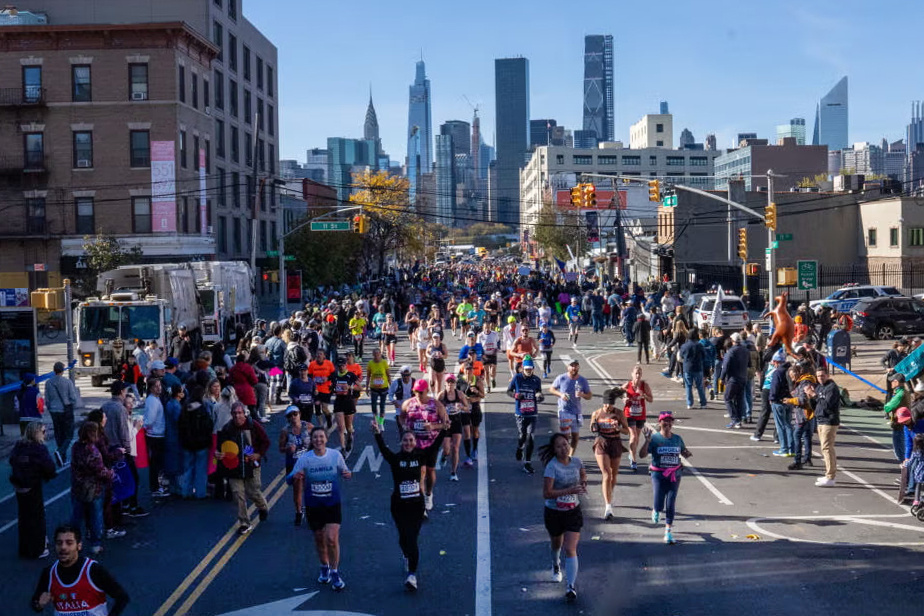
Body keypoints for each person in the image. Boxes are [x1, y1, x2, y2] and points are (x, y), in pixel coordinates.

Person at [371, 419, 446, 591]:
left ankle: (412, 575)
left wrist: (444, 430)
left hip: (416, 506)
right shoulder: (396, 459)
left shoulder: (421, 456)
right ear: (401, 443)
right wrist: (377, 433)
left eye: (411, 440)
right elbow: (383, 449)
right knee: (403, 538)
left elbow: (435, 446)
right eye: (405, 440)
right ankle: (406, 555)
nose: (408, 443)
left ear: (415, 442)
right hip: (399, 506)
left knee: (412, 539)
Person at [287, 427, 352, 591]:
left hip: (332, 504)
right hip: (314, 506)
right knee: (319, 539)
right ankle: (324, 567)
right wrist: (295, 477)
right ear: (311, 440)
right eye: (315, 437)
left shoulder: (335, 455)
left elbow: (345, 470)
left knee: (331, 539)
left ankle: (335, 572)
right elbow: (289, 479)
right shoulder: (305, 459)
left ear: (326, 439)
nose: (318, 440)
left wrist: (347, 474)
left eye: (321, 437)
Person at [30, 525, 129, 615]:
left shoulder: (93, 570)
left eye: (69, 543)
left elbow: (122, 597)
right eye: (59, 543)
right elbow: (36, 603)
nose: (63, 547)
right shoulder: (49, 573)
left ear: (79, 546)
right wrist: (39, 604)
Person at [539, 433, 586, 602]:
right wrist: (569, 491)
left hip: (573, 511)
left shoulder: (577, 462)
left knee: (570, 547)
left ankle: (570, 586)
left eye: (565, 444)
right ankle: (556, 564)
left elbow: (582, 475)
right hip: (554, 512)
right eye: (559, 446)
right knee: (556, 544)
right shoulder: (552, 467)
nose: (563, 449)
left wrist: (583, 484)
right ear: (554, 450)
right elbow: (547, 493)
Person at [216, 402, 270, 535]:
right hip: (234, 467)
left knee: (253, 491)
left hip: (251, 464)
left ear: (244, 413)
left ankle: (262, 506)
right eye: (234, 413)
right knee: (238, 494)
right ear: (231, 414)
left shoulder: (253, 425)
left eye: (239, 413)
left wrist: (258, 454)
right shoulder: (227, 428)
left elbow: (266, 441)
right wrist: (218, 454)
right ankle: (244, 522)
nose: (237, 416)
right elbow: (220, 447)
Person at [639, 411, 691, 544]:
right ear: (659, 423)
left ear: (672, 423)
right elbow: (642, 455)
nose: (667, 423)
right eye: (664, 421)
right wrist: (647, 441)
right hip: (658, 474)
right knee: (659, 500)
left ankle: (668, 531)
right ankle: (656, 510)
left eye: (669, 421)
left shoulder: (677, 438)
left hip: (675, 474)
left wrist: (686, 453)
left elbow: (683, 451)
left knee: (671, 502)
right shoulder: (655, 438)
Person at [398, 379, 449, 514]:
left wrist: (433, 426)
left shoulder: (436, 405)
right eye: (415, 392)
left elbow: (446, 424)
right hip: (415, 445)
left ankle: (429, 494)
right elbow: (401, 417)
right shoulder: (408, 403)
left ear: (427, 391)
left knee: (430, 471)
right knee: (420, 473)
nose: (418, 394)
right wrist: (405, 426)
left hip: (431, 444)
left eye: (421, 392)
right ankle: (421, 503)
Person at [10, 421, 56, 559]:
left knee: (24, 518)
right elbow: (49, 467)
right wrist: (48, 475)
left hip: (19, 486)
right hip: (33, 485)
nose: (45, 434)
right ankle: (38, 548)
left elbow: (12, 460)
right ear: (37, 433)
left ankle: (25, 548)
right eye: (43, 431)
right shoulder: (39, 449)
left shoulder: (19, 446)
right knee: (36, 517)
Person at [69, 421, 113, 555]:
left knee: (77, 516)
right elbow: (100, 471)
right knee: (95, 516)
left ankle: (73, 540)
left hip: (78, 486)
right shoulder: (92, 451)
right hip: (93, 488)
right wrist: (110, 473)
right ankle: (95, 544)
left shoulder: (76, 446)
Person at [590, 388, 629, 520]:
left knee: (613, 475)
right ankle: (608, 507)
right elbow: (592, 428)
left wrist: (618, 428)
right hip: (601, 443)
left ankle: (609, 495)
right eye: (606, 403)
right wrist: (594, 426)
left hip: (615, 443)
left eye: (610, 404)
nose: (608, 406)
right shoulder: (596, 413)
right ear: (603, 402)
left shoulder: (619, 413)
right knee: (606, 473)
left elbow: (626, 431)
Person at [507, 356, 545, 474]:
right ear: (522, 368)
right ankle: (520, 448)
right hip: (521, 413)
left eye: (530, 369)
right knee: (522, 436)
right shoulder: (517, 378)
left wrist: (540, 397)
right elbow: (509, 391)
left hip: (532, 413)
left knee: (530, 437)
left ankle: (527, 462)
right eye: (526, 369)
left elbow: (539, 392)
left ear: (533, 369)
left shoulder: (536, 380)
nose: (528, 371)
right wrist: (516, 395)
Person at [805, 365, 840, 487]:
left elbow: (826, 405)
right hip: (820, 420)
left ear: (828, 375)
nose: (820, 378)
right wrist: (810, 396)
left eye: (823, 375)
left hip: (829, 421)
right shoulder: (819, 387)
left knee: (827, 448)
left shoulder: (832, 388)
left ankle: (830, 477)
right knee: (825, 448)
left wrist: (814, 395)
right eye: (818, 376)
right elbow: (815, 406)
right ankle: (828, 474)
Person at [550, 359, 593, 455]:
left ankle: (570, 456)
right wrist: (561, 394)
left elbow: (589, 395)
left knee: (575, 437)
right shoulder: (561, 378)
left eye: (576, 366)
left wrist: (582, 395)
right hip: (564, 411)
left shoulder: (582, 380)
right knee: (565, 437)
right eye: (572, 366)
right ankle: (564, 455)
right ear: (568, 367)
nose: (574, 368)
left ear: (578, 367)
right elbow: (552, 389)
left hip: (576, 412)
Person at [279, 405, 313, 526]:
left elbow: (320, 439)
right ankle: (298, 512)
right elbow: (280, 448)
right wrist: (288, 449)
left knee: (310, 488)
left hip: (309, 463)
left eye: (295, 414)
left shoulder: (309, 427)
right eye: (290, 415)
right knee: (297, 489)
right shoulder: (285, 431)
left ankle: (310, 511)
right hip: (294, 464)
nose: (293, 417)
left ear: (299, 414)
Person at [177, 395, 214, 499]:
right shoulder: (203, 410)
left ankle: (186, 491)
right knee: (201, 470)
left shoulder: (185, 410)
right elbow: (208, 426)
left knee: (187, 469)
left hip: (187, 444)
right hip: (201, 445)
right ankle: (200, 493)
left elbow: (180, 427)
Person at [437, 374, 471, 481]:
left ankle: (453, 472)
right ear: (445, 384)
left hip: (456, 421)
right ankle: (444, 456)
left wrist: (461, 407)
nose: (450, 384)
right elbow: (434, 408)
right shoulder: (441, 395)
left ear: (455, 384)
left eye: (452, 382)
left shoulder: (459, 394)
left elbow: (468, 408)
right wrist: (442, 410)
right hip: (446, 423)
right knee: (447, 449)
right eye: (448, 382)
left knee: (455, 448)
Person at [44, 361, 78, 467]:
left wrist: (50, 408)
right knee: (69, 434)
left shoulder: (48, 383)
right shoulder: (67, 382)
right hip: (65, 410)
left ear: (54, 370)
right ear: (63, 371)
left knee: (58, 434)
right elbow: (73, 398)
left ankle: (62, 458)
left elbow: (47, 399)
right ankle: (60, 451)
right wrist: (69, 404)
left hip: (54, 411)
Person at [623, 365, 654, 471]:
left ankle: (632, 454)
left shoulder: (644, 386)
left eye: (639, 373)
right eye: (636, 373)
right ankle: (633, 460)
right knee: (633, 436)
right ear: (632, 374)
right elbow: (619, 393)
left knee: (637, 438)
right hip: (629, 414)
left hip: (640, 414)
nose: (637, 375)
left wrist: (644, 395)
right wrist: (624, 398)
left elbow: (651, 399)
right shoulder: (627, 385)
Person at [330, 356, 360, 455]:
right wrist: (332, 389)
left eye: (342, 365)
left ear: (346, 365)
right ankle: (342, 448)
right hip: (339, 402)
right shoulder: (334, 375)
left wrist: (350, 387)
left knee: (348, 427)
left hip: (348, 402)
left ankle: (350, 436)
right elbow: (330, 386)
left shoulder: (351, 375)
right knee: (340, 428)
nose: (341, 367)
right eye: (339, 366)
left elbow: (360, 387)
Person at [457, 360, 485, 461]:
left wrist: (476, 392)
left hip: (475, 407)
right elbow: (456, 394)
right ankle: (468, 455)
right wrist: (462, 398)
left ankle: (475, 449)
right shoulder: (460, 381)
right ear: (463, 370)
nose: (468, 371)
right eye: (466, 370)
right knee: (466, 431)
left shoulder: (477, 380)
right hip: (464, 408)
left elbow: (483, 395)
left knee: (475, 431)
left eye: (470, 369)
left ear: (472, 370)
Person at [679, 329, 707, 410]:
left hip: (687, 367)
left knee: (688, 386)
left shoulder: (684, 346)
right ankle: (703, 403)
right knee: (700, 386)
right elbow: (704, 355)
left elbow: (681, 356)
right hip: (698, 367)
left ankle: (689, 403)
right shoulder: (699, 345)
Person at [307, 350, 336, 429]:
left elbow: (334, 375)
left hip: (326, 389)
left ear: (324, 356)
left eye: (320, 354)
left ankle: (329, 418)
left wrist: (328, 379)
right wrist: (311, 383)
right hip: (316, 390)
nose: (319, 355)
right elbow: (309, 376)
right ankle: (321, 425)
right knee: (317, 407)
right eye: (317, 354)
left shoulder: (329, 364)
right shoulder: (312, 364)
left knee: (324, 408)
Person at [366, 348, 391, 431]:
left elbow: (388, 375)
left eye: (378, 354)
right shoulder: (370, 363)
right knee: (374, 405)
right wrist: (366, 387)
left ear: (380, 354)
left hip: (383, 387)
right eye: (375, 354)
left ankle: (381, 423)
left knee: (382, 405)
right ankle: (376, 421)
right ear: (373, 355)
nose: (376, 356)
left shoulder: (384, 362)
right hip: (374, 388)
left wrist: (391, 386)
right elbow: (368, 376)